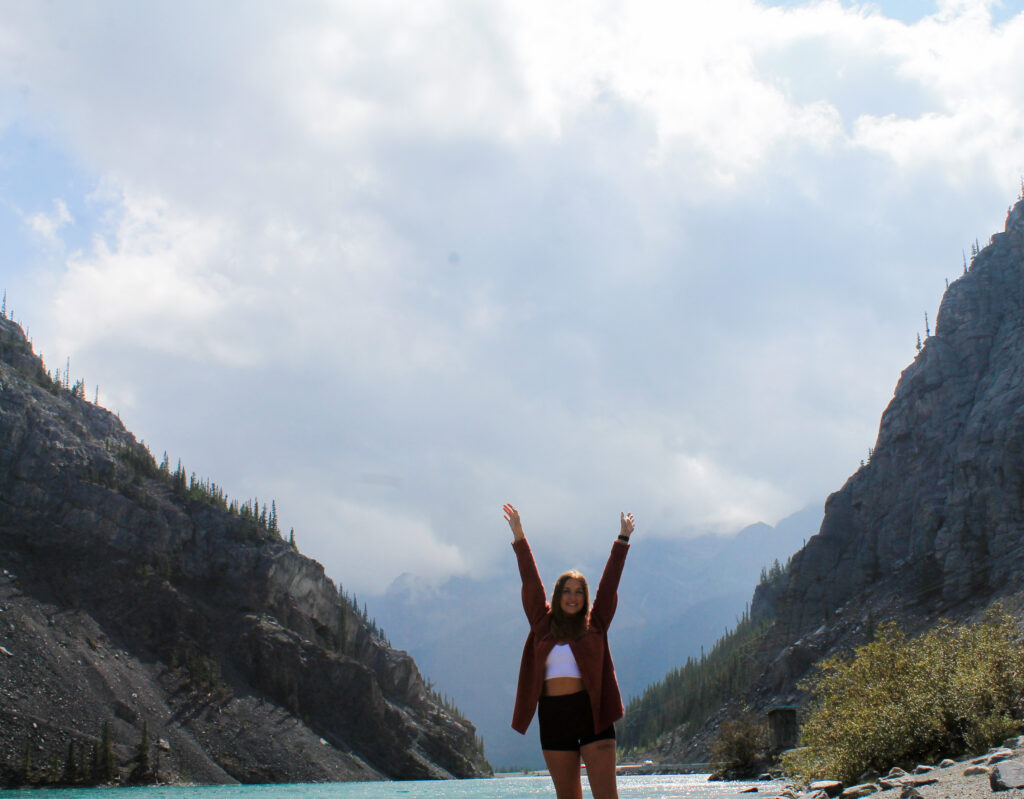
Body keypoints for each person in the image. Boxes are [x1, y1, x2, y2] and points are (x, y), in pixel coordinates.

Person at [503, 503, 635, 799]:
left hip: (592, 713)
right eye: (567, 591)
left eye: (579, 592)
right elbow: (530, 583)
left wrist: (622, 540)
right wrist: (519, 536)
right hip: (553, 716)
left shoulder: (596, 623)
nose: (573, 597)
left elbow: (609, 585)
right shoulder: (542, 624)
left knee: (606, 795)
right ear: (558, 595)